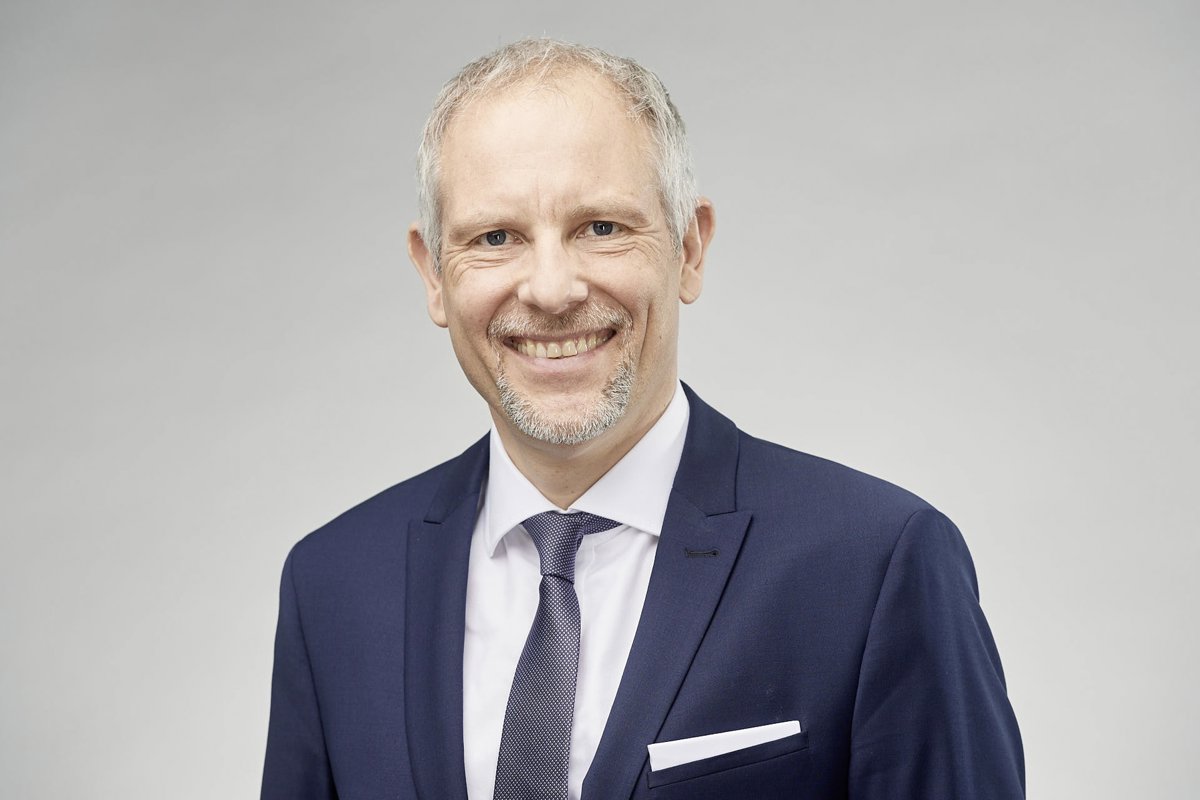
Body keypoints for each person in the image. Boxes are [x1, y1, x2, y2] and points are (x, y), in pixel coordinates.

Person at [261, 38, 1024, 800]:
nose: (552, 289)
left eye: (601, 228)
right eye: (496, 238)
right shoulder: (333, 586)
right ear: (433, 274)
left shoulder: (875, 564)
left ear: (689, 248)